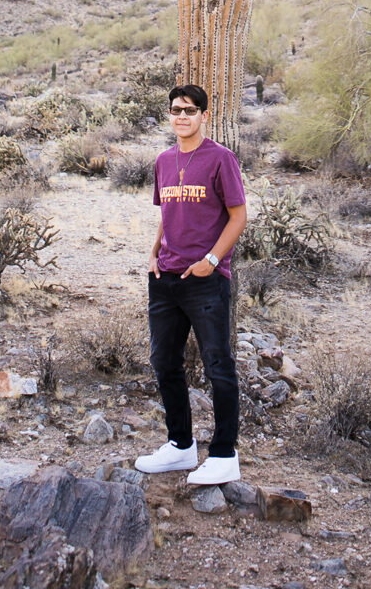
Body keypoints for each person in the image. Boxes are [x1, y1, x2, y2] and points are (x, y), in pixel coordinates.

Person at [134, 83, 247, 484]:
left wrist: (212, 261)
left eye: (190, 110)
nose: (181, 116)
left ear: (204, 115)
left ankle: (223, 454)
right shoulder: (164, 161)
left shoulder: (221, 159)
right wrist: (153, 253)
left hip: (205, 280)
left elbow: (238, 216)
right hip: (165, 277)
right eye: (175, 110)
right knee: (164, 363)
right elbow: (167, 212)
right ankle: (181, 446)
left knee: (218, 365)